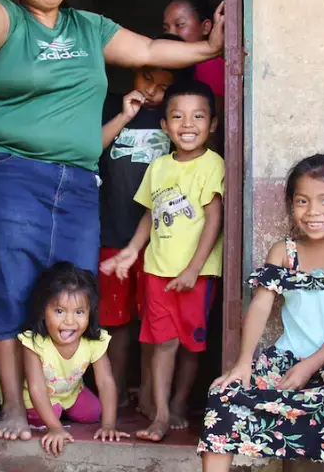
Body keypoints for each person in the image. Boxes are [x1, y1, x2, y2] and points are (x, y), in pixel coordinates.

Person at [0, 0, 224, 442]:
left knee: (74, 289)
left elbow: (152, 47)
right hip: (12, 171)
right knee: (8, 286)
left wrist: (210, 46)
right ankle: (14, 407)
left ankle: (60, 394)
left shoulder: (89, 28)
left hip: (78, 184)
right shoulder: (10, 18)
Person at [197, 154, 324, 471]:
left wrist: (310, 366)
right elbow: (261, 306)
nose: (313, 212)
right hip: (288, 355)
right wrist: (242, 364)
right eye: (302, 201)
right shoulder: (284, 252)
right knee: (223, 396)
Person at [100, 79, 224, 442]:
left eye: (198, 116)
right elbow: (149, 216)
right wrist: (132, 251)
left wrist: (192, 269)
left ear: (212, 124)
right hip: (157, 270)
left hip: (196, 274)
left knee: (190, 344)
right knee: (162, 342)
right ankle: (161, 413)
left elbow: (214, 220)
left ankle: (182, 402)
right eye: (178, 117)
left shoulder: (213, 165)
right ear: (164, 126)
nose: (188, 124)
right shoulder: (159, 166)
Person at [98, 34, 194, 412]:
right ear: (133, 69)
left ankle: (151, 402)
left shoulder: (177, 120)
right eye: (147, 78)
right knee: (116, 323)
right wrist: (125, 115)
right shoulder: (110, 108)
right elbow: (89, 149)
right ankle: (117, 394)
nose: (153, 90)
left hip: (163, 242)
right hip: (112, 233)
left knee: (155, 326)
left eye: (164, 86)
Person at [19, 262, 130, 456]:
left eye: (79, 312)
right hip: (36, 396)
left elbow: (105, 382)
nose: (70, 321)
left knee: (94, 412)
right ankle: (55, 416)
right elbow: (36, 386)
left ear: (90, 313)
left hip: (70, 393)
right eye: (59, 311)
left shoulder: (93, 341)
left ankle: (63, 410)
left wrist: (109, 424)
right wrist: (54, 427)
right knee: (52, 414)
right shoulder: (34, 342)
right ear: (43, 312)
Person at [162, 0, 225, 151]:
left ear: (205, 27)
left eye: (180, 25)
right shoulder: (179, 66)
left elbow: (212, 126)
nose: (170, 33)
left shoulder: (208, 64)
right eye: (166, 27)